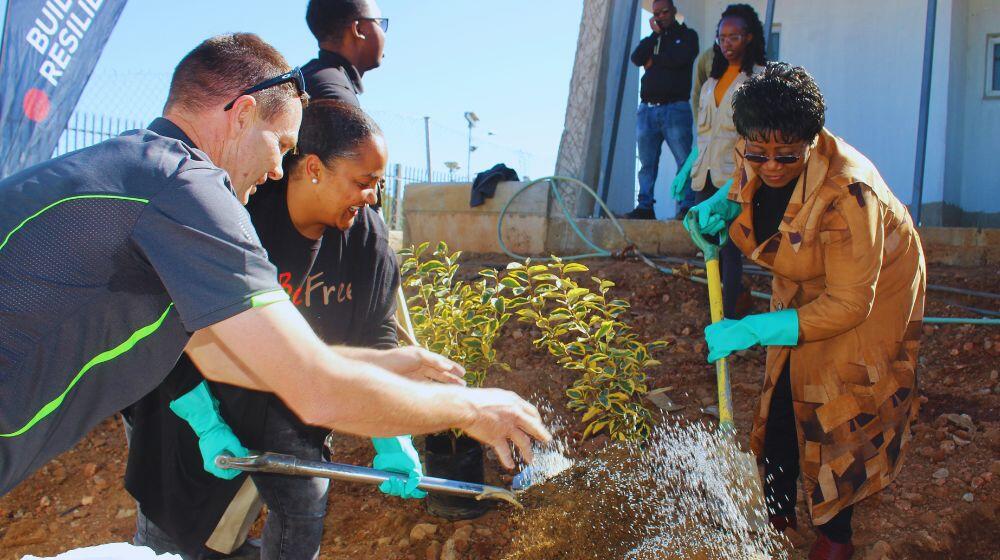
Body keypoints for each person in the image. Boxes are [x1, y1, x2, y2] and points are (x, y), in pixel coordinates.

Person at [0, 33, 550, 500]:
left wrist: (389, 364)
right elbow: (314, 388)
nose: (275, 169)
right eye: (281, 144)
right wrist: (471, 408)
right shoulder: (185, 188)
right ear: (242, 115)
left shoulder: (138, 174)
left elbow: (232, 359)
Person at [126, 101, 418, 559]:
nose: (373, 198)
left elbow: (375, 338)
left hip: (289, 398)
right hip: (188, 399)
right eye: (363, 183)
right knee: (176, 535)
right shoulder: (235, 218)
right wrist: (205, 423)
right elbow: (169, 330)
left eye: (378, 185)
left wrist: (389, 429)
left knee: (303, 509)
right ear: (315, 170)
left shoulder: (367, 239)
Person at [693, 63, 925, 560]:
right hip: (807, 268)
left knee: (838, 404)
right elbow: (749, 183)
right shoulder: (757, 145)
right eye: (759, 153)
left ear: (811, 138)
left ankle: (835, 539)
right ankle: (777, 514)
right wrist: (725, 204)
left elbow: (849, 302)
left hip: (872, 286)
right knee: (781, 393)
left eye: (787, 155)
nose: (771, 166)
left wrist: (757, 326)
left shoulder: (850, 195)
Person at [685, 3, 765, 319]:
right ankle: (724, 305)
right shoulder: (709, 83)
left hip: (733, 179)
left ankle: (728, 316)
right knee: (709, 247)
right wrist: (689, 162)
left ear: (748, 38)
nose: (726, 43)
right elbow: (705, 132)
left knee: (731, 248)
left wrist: (747, 177)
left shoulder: (757, 80)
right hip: (703, 176)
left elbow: (755, 136)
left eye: (733, 37)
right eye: (721, 37)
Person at [622, 0, 699, 220]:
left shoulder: (687, 36)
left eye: (664, 12)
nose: (661, 17)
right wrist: (655, 36)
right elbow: (637, 58)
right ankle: (645, 206)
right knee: (646, 163)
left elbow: (680, 58)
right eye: (656, 14)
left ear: (674, 11)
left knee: (684, 161)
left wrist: (654, 60)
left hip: (675, 108)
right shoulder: (654, 39)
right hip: (648, 110)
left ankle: (686, 207)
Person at [302, 0, 387, 107]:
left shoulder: (307, 77)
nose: (384, 33)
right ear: (358, 30)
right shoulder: (335, 96)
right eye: (380, 23)